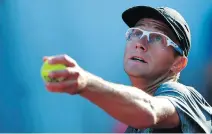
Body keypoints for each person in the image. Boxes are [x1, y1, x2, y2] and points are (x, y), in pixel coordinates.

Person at [43, 6, 212, 133]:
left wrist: (86, 83)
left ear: (179, 64)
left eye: (157, 38)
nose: (140, 43)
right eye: (136, 33)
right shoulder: (133, 125)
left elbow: (150, 111)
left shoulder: (182, 95)